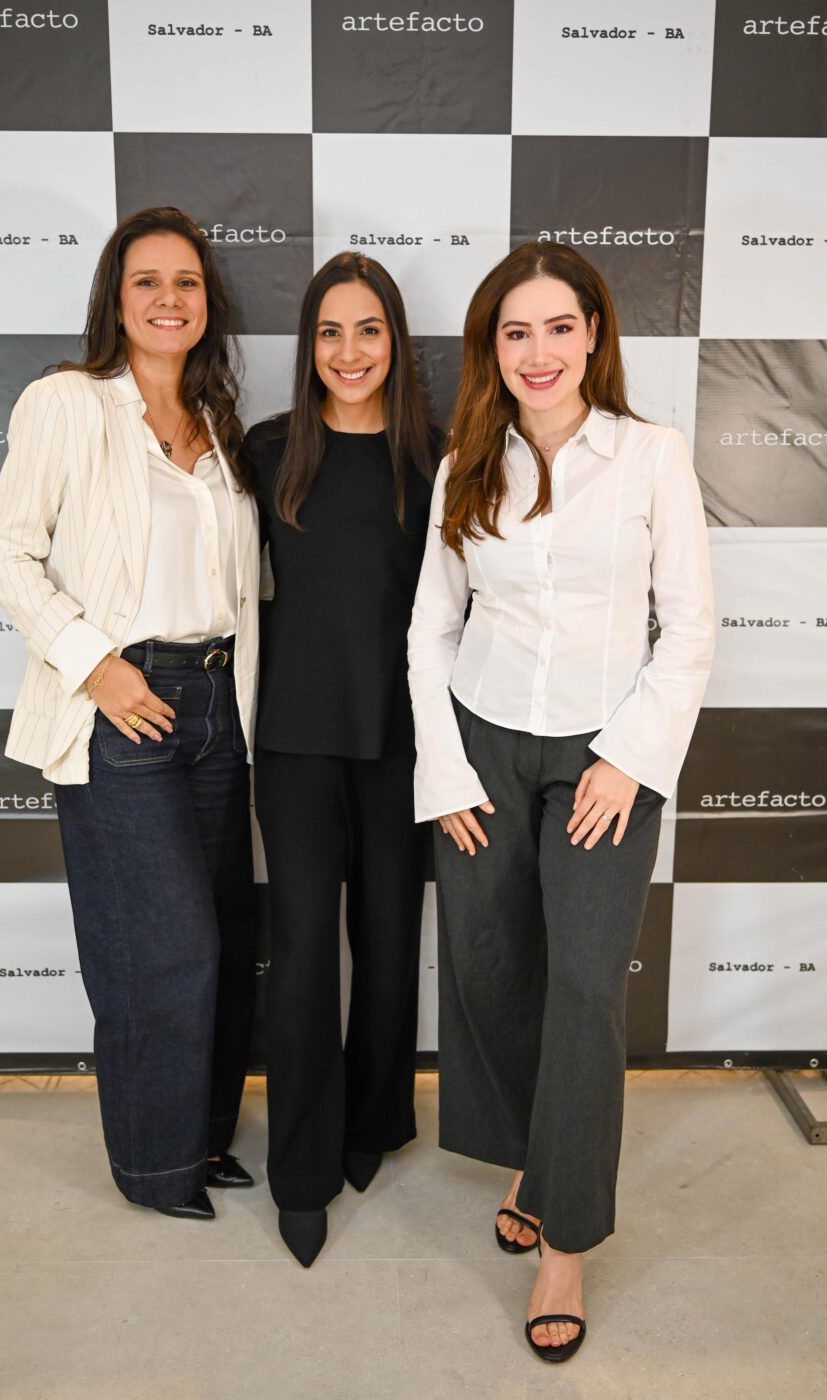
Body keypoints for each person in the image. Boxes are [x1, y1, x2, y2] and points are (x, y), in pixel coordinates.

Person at [408, 241, 714, 1361]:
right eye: (514, 331)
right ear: (495, 346)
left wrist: (629, 757)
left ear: (594, 332)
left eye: (557, 326)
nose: (538, 351)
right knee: (490, 964)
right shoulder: (465, 464)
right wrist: (442, 766)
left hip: (604, 752)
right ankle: (534, 1159)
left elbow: (687, 626)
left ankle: (567, 1240)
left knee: (584, 985)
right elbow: (430, 629)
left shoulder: (649, 456)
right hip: (483, 739)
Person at [0, 206, 260, 1219]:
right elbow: (4, 551)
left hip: (217, 703)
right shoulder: (68, 403)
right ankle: (154, 1167)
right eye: (147, 281)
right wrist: (97, 666)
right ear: (115, 298)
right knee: (160, 947)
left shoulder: (218, 424)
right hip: (123, 703)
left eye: (186, 282)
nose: (168, 298)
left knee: (222, 938)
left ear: (206, 302)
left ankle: (202, 1139)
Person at [244, 253, 439, 1267]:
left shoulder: (437, 458)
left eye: (369, 330)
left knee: (392, 940)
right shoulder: (267, 449)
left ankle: (372, 1122)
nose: (349, 351)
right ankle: (303, 1169)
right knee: (309, 952)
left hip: (405, 745)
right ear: (307, 344)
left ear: (394, 341)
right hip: (292, 740)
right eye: (329, 330)